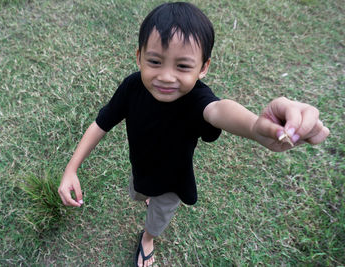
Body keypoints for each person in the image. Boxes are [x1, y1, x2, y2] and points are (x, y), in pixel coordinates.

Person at [58, 2, 329, 266]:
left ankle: (148, 239)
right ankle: (146, 196)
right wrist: (71, 169)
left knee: (158, 216)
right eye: (154, 61)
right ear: (139, 56)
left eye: (183, 66)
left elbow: (219, 111)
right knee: (139, 192)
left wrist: (255, 126)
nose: (166, 76)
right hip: (139, 168)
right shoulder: (132, 87)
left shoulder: (197, 99)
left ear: (203, 68)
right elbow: (101, 123)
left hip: (172, 182)